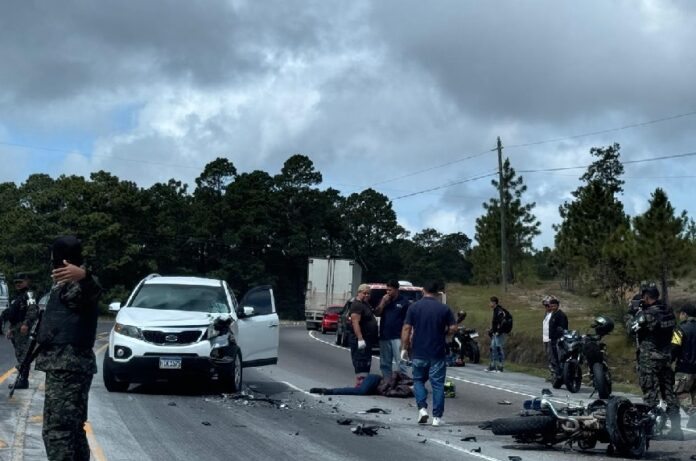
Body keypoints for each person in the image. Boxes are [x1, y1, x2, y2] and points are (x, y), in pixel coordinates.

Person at [35, 236, 102, 460]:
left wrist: (84, 276)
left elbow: (91, 292)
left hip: (68, 366)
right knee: (72, 430)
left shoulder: (76, 283)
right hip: (68, 366)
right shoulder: (64, 284)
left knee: (58, 431)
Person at [400, 280, 456, 427]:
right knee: (437, 385)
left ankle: (422, 408)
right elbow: (453, 328)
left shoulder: (414, 307)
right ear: (437, 293)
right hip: (437, 351)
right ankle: (437, 417)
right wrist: (444, 332)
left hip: (419, 351)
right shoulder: (444, 309)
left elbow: (406, 329)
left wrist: (404, 348)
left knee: (418, 380)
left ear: (423, 290)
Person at [631, 285, 683, 440]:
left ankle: (650, 427)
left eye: (643, 297)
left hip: (650, 359)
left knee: (650, 393)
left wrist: (632, 313)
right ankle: (676, 429)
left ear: (647, 296)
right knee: (669, 394)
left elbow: (631, 328)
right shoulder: (668, 311)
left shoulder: (648, 314)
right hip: (665, 358)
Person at [0, 273, 39, 389]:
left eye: (20, 282)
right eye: (16, 282)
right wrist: (11, 329)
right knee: (20, 354)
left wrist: (26, 324)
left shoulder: (29, 295)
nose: (18, 284)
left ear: (27, 281)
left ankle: (23, 380)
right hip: (16, 328)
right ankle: (22, 378)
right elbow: (14, 313)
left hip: (23, 328)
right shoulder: (18, 296)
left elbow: (33, 310)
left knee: (24, 355)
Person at [374, 279, 410, 378]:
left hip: (398, 336)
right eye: (387, 290)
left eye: (390, 290)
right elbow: (376, 313)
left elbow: (408, 321)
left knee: (401, 361)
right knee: (385, 362)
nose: (388, 292)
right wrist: (383, 303)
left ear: (396, 289)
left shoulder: (404, 302)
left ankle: (402, 381)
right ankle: (387, 381)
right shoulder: (384, 300)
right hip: (384, 335)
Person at [671, 303, 696, 429]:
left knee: (680, 392)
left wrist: (669, 360)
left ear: (684, 314)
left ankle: (693, 414)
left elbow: (674, 347)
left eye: (680, 314)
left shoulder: (680, 329)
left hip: (684, 368)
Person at [349, 284, 378, 386]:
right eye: (364, 293)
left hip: (368, 338)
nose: (366, 295)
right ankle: (360, 383)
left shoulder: (365, 304)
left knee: (366, 361)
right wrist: (360, 339)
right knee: (360, 361)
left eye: (368, 294)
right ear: (359, 293)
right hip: (360, 339)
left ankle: (364, 382)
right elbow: (355, 322)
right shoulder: (357, 305)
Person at [309, 372, 413, 397]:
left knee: (361, 391)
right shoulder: (407, 381)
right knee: (360, 391)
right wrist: (388, 387)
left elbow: (389, 393)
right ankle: (329, 391)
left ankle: (328, 391)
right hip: (375, 380)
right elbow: (395, 374)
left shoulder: (404, 391)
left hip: (374, 386)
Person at [545, 296, 568, 385]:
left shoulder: (561, 315)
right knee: (553, 358)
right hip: (552, 339)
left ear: (558, 306)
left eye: (554, 306)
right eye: (551, 306)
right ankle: (555, 375)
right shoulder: (552, 314)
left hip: (559, 340)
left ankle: (560, 375)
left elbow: (563, 328)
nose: (553, 307)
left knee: (558, 358)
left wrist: (559, 337)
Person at [486, 296, 507, 372]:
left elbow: (502, 322)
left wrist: (498, 331)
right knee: (492, 348)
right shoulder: (495, 310)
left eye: (491, 302)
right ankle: (493, 365)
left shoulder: (499, 310)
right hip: (495, 333)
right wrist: (491, 329)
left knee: (498, 348)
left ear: (494, 302)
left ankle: (500, 366)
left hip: (499, 334)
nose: (490, 303)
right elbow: (495, 322)